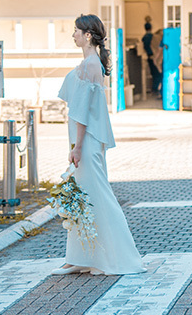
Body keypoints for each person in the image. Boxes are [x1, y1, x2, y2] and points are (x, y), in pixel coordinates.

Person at [52, 14, 145, 276]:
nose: (73, 35)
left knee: (98, 198)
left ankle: (119, 257)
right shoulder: (90, 64)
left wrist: (77, 146)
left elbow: (83, 111)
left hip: (87, 142)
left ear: (88, 35)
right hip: (85, 141)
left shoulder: (90, 66)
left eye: (77, 31)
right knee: (84, 198)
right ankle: (79, 257)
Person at [141, 20, 162, 96]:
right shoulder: (153, 37)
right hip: (155, 57)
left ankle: (154, 89)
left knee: (153, 73)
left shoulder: (144, 37)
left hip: (149, 57)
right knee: (157, 74)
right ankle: (155, 89)